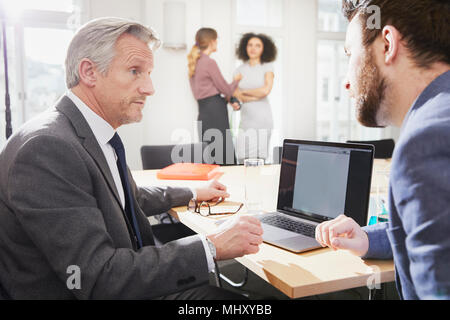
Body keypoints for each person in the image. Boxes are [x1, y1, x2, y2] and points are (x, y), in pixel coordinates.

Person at [0, 17, 264, 300]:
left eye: (148, 73)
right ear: (89, 72)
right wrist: (212, 246)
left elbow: (126, 197)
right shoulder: (47, 148)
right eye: (135, 71)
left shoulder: (87, 132)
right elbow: (97, 278)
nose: (149, 88)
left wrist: (193, 192)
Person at [315, 0, 450, 300]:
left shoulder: (426, 142)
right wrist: (366, 239)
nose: (347, 83)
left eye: (351, 54)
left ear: (387, 44)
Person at [188, 28, 241, 165]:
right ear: (212, 41)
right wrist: (237, 80)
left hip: (204, 113)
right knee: (225, 157)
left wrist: (226, 100)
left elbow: (207, 93)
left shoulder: (194, 63)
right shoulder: (209, 62)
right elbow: (226, 89)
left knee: (210, 157)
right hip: (216, 113)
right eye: (216, 39)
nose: (217, 42)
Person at [233, 33, 277, 163]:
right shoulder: (239, 70)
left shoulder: (267, 67)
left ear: (264, 49)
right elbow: (235, 93)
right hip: (246, 121)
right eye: (250, 45)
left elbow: (266, 90)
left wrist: (244, 93)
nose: (253, 48)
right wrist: (254, 94)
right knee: (242, 158)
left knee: (259, 160)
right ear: (245, 47)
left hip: (263, 120)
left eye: (257, 45)